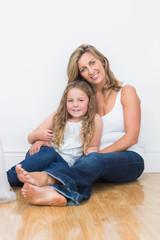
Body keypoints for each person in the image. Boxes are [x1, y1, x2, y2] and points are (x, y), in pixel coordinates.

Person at [14, 44, 144, 206]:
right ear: (80, 75)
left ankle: (48, 179)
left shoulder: (126, 91)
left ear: (102, 62)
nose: (90, 71)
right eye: (83, 69)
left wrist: (94, 156)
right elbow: (61, 121)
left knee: (92, 161)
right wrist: (42, 138)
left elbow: (132, 137)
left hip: (129, 159)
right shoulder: (83, 100)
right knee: (69, 161)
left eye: (92, 63)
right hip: (89, 162)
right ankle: (57, 195)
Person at [7, 80, 102, 194]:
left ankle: (32, 181)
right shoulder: (57, 117)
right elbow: (30, 137)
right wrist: (40, 137)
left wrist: (91, 156)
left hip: (63, 165)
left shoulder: (94, 119)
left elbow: (93, 146)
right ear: (65, 102)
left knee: (61, 172)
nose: (75, 104)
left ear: (89, 101)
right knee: (49, 153)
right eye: (70, 101)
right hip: (43, 157)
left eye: (80, 100)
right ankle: (7, 178)